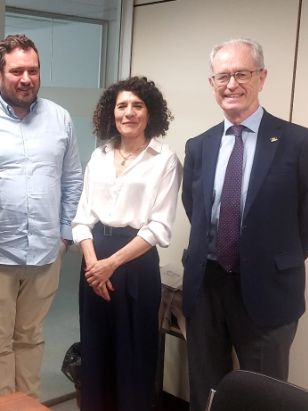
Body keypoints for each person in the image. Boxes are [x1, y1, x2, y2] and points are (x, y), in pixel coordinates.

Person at [181, 38, 308, 410]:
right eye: (223, 76)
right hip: (206, 288)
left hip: (267, 290)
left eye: (242, 74)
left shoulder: (298, 142)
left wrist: (272, 259)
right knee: (206, 392)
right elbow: (195, 209)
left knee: (262, 398)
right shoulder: (199, 146)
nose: (231, 84)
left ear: (261, 77)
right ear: (212, 83)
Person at [0, 34, 83, 400]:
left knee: (30, 338)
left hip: (45, 253)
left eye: (33, 71)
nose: (26, 79)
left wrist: (64, 235)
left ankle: (27, 405)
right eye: (16, 71)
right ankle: (2, 406)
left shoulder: (60, 119)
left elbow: (73, 179)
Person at [72, 76, 181, 410]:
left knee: (133, 357)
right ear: (112, 112)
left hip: (135, 264)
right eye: (122, 106)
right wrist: (94, 265)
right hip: (93, 264)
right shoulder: (99, 155)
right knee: (96, 353)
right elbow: (82, 218)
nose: (129, 112)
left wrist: (111, 264)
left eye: (137, 105)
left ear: (150, 113)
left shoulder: (164, 160)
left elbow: (159, 227)